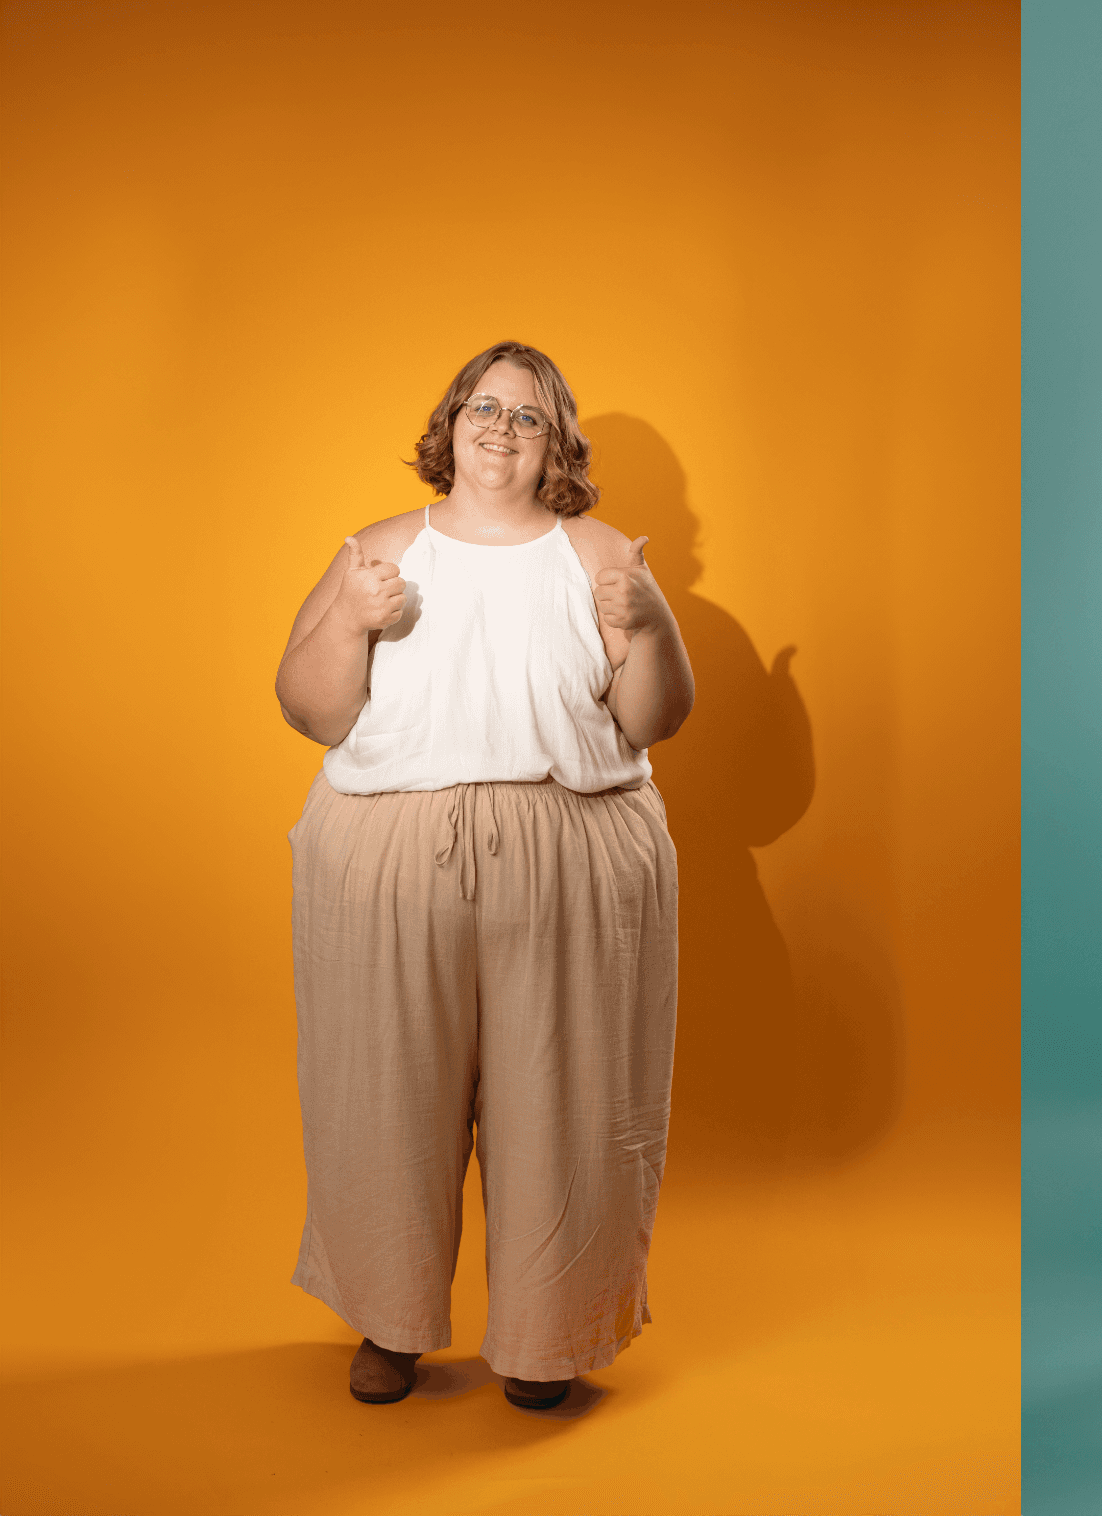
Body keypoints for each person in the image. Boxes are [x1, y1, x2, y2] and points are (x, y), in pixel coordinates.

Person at [272, 339, 691, 1410]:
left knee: (571, 1104)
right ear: (451, 423)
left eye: (529, 416)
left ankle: (548, 1334)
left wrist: (643, 626)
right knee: (382, 1097)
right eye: (484, 408)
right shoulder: (378, 551)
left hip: (574, 856)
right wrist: (353, 619)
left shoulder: (600, 555)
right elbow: (313, 709)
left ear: (557, 445)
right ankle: (390, 1323)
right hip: (389, 857)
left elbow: (656, 718)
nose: (502, 429)